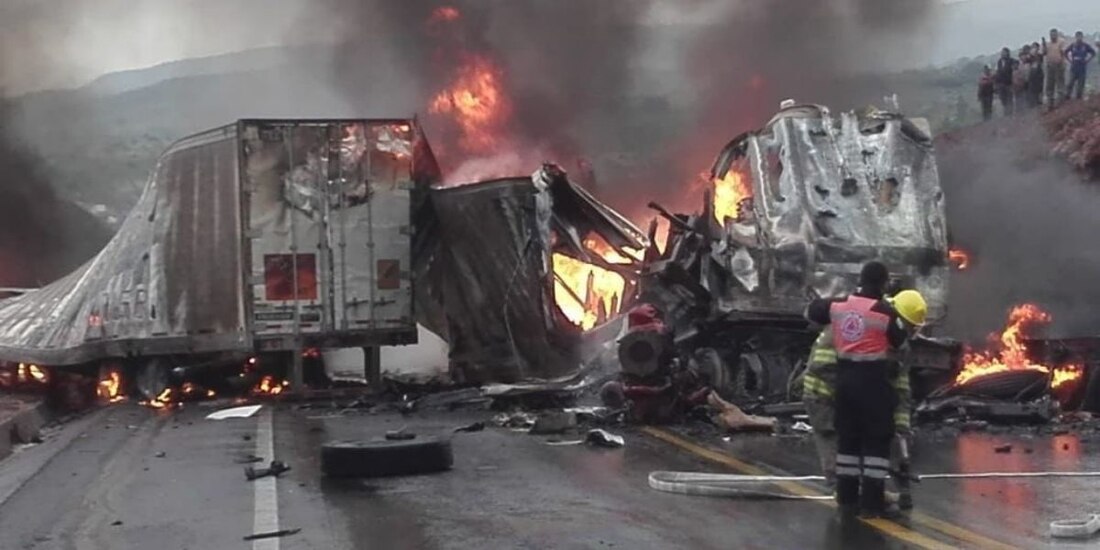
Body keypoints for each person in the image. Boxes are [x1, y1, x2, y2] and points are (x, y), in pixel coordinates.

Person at [805, 262, 914, 517]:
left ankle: (847, 499)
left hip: (844, 386)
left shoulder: (838, 306)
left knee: (848, 443)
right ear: (884, 284)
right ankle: (871, 504)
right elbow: (901, 344)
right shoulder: (885, 312)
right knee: (876, 443)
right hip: (873, 384)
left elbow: (812, 312)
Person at [1065, 31, 1097, 100]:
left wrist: (1087, 60)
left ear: (1082, 37)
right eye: (1077, 37)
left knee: (1080, 85)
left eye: (1080, 37)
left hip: (1082, 67)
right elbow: (1065, 52)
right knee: (1070, 83)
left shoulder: (1085, 46)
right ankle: (1067, 97)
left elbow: (1093, 53)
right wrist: (1070, 60)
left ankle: (1078, 98)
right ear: (1075, 37)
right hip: (1074, 67)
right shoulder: (1073, 45)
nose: (1079, 38)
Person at [1043, 29, 1069, 108]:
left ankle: (1061, 101)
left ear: (1057, 35)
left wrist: (1063, 63)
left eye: (1054, 35)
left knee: (1060, 83)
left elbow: (1063, 53)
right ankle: (1050, 103)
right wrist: (1044, 45)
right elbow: (1043, 53)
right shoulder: (1047, 44)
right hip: (1050, 65)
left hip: (1059, 65)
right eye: (1051, 35)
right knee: (1050, 84)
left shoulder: (1061, 42)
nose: (1053, 36)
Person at [994, 47, 1019, 116]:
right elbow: (997, 72)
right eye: (1002, 52)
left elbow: (1016, 64)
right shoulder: (999, 62)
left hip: (1008, 83)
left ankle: (1009, 114)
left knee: (1009, 99)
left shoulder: (1011, 60)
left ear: (1008, 53)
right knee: (1003, 99)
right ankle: (1006, 113)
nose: (1003, 54)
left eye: (1004, 52)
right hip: (1001, 84)